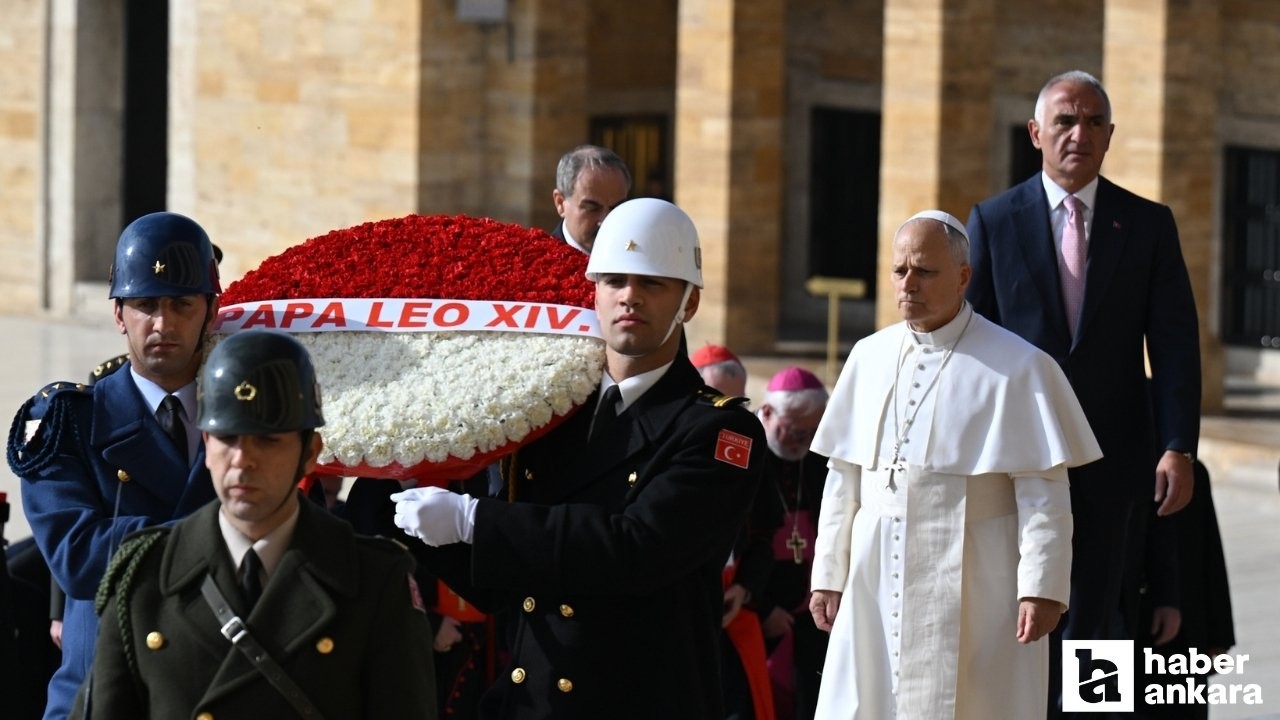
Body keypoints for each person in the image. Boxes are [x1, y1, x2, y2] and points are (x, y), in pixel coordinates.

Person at [392, 197, 767, 719]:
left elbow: (635, 550)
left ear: (690, 302)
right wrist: (414, 493)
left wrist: (475, 520)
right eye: (614, 281)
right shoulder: (554, 412)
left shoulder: (722, 429)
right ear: (594, 291)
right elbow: (500, 585)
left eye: (651, 283)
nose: (628, 297)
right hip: (530, 699)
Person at [964, 70, 1201, 713]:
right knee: (1017, 616)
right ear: (1036, 133)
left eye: (1094, 122)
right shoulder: (992, 222)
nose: (1079, 134)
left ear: (1110, 136)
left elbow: (1175, 342)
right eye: (1065, 121)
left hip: (1112, 459)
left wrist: (1179, 445)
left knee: (1098, 620)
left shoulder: (1147, 225)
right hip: (1016, 461)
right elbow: (967, 341)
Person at [807, 211, 1101, 719]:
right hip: (874, 575)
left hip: (980, 577)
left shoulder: (1018, 365)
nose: (908, 284)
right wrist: (828, 572)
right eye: (899, 271)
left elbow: (1044, 493)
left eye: (924, 271)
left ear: (964, 277)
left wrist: (1041, 587)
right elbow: (843, 478)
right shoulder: (867, 356)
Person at [77, 330, 437, 719]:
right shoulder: (145, 575)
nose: (243, 460)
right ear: (206, 444)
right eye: (227, 438)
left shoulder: (373, 581)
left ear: (310, 453)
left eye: (268, 441)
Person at [7, 212, 222, 720]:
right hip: (104, 697)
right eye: (145, 305)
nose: (163, 324)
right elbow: (78, 557)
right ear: (119, 314)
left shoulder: (249, 421)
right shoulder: (67, 423)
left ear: (211, 312)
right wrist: (229, 536)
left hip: (216, 691)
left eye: (181, 305)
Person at [753, 367, 829, 720]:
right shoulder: (747, 457)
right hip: (758, 610)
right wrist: (762, 606)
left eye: (813, 432)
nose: (805, 440)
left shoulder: (818, 461)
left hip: (814, 610)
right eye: (797, 430)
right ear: (766, 413)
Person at [550, 144, 631, 253]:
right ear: (560, 203)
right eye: (592, 208)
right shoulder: (535, 266)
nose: (604, 221)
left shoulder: (638, 260)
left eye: (616, 208)